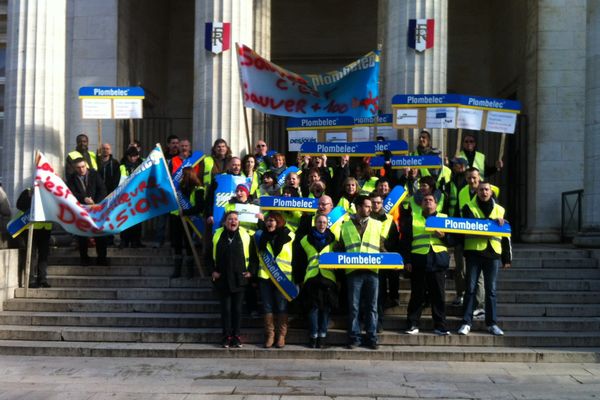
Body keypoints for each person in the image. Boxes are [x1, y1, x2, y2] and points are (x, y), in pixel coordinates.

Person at [458, 182, 512, 336]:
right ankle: (466, 322)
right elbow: (468, 225)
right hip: (474, 253)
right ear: (477, 192)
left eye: (486, 189)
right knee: (469, 289)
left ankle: (492, 323)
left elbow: (505, 235)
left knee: (491, 291)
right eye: (481, 190)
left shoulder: (500, 209)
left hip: (493, 254)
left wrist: (506, 258)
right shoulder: (469, 206)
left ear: (491, 192)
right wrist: (491, 224)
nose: (484, 192)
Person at [338, 195, 384, 350]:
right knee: (354, 307)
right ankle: (354, 337)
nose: (370, 209)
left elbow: (382, 246)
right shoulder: (345, 226)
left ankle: (372, 337)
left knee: (372, 306)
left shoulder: (378, 224)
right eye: (366, 206)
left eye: (370, 206)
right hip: (353, 271)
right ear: (358, 207)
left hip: (372, 271)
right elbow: (341, 247)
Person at [402, 193, 451, 336]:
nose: (427, 202)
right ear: (421, 204)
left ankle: (440, 325)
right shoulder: (413, 219)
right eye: (425, 200)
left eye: (430, 200)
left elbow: (453, 240)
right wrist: (407, 260)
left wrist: (444, 236)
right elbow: (405, 241)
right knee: (417, 294)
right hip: (419, 261)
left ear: (436, 204)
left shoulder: (444, 218)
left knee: (439, 296)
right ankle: (412, 324)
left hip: (438, 260)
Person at [208, 211, 253, 348]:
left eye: (235, 219)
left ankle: (236, 336)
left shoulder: (245, 235)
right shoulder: (217, 234)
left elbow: (254, 257)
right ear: (225, 221)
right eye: (230, 219)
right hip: (223, 279)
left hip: (239, 279)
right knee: (226, 310)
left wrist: (251, 271)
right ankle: (226, 336)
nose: (233, 221)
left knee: (237, 310)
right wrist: (212, 271)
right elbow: (208, 255)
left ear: (238, 222)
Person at [250, 212, 294, 348]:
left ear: (279, 222)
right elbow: (254, 258)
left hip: (282, 277)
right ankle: (270, 335)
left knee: (281, 307)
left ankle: (281, 336)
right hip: (265, 276)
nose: (270, 223)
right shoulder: (259, 236)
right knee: (267, 307)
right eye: (268, 220)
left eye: (273, 220)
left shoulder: (290, 236)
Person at [294, 214, 338, 349]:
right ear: (315, 223)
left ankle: (322, 337)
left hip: (328, 279)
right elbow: (299, 261)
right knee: (313, 309)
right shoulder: (305, 240)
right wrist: (299, 279)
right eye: (319, 222)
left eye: (324, 222)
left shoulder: (333, 240)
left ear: (327, 224)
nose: (322, 224)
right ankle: (313, 336)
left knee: (325, 310)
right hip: (311, 278)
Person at [66, 158, 108, 266]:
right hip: (81, 210)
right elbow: (71, 193)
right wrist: (84, 199)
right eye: (78, 168)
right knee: (82, 235)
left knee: (100, 234)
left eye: (83, 167)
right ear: (75, 168)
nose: (81, 169)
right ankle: (84, 258)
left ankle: (102, 258)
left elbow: (102, 189)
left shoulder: (94, 175)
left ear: (86, 166)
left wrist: (96, 203)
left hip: (96, 208)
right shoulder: (71, 179)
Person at [370, 193, 401, 331]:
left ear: (382, 203)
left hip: (383, 260)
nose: (376, 205)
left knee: (380, 293)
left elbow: (395, 241)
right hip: (368, 260)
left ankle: (378, 322)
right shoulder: (365, 218)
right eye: (373, 203)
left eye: (378, 202)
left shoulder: (389, 219)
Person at [170, 167, 205, 279]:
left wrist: (185, 212)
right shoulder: (176, 189)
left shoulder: (198, 189)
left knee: (189, 245)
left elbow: (200, 207)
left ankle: (190, 271)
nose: (182, 178)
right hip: (176, 219)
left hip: (190, 220)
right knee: (177, 244)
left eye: (184, 175)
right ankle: (177, 270)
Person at [16, 188, 52, 288]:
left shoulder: (49, 192)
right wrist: (30, 197)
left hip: (45, 228)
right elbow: (20, 206)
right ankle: (30, 280)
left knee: (43, 254)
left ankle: (42, 279)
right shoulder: (27, 191)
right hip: (31, 228)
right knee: (31, 254)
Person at [119, 147, 144, 248]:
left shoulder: (142, 165)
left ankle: (136, 241)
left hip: (138, 196)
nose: (132, 158)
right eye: (130, 156)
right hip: (125, 197)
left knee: (137, 220)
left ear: (138, 156)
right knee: (124, 220)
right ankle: (124, 240)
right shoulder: (122, 166)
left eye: (134, 156)